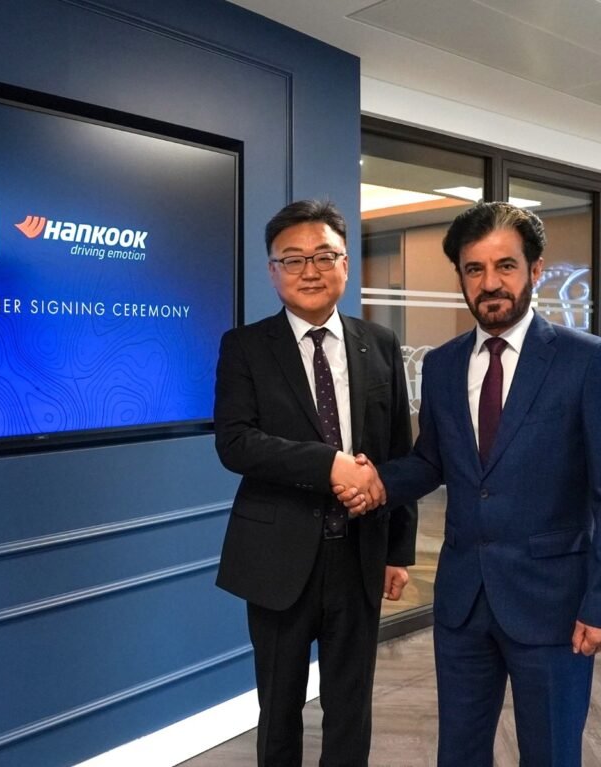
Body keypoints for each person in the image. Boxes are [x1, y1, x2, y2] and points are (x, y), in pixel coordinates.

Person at [339, 201, 601, 766]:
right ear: (460, 276)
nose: (490, 283)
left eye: (506, 266)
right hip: (462, 602)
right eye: (474, 269)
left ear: (536, 270)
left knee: (550, 754)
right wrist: (375, 480)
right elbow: (431, 461)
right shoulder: (443, 365)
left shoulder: (588, 362)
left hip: (552, 606)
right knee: (458, 753)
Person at [214, 199, 417, 767]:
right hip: (277, 558)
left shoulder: (379, 343)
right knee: (279, 708)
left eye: (324, 256)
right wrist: (331, 465)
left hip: (359, 554)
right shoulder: (245, 346)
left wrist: (397, 551)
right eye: (293, 258)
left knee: (351, 706)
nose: (310, 271)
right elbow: (236, 443)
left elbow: (397, 452)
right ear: (272, 269)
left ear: (345, 263)